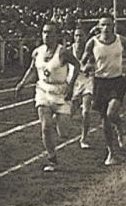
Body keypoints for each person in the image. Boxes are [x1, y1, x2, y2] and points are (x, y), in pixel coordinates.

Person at [14, 22, 80, 172]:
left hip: (61, 91)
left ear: (56, 35)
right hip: (43, 91)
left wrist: (70, 84)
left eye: (50, 33)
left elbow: (77, 65)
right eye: (44, 32)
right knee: (46, 127)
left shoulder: (63, 52)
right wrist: (22, 84)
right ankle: (52, 158)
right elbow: (32, 69)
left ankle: (72, 107)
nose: (46, 36)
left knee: (64, 133)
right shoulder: (37, 52)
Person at [81, 13, 126, 166]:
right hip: (100, 83)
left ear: (113, 26)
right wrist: (86, 67)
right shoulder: (92, 42)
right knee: (105, 120)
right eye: (103, 25)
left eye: (109, 25)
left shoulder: (120, 40)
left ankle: (120, 128)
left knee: (111, 113)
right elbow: (83, 61)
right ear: (98, 26)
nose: (106, 28)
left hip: (117, 81)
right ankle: (111, 152)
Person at [69, 26, 95, 149]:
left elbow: (92, 64)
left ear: (84, 38)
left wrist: (87, 67)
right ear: (73, 37)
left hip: (87, 81)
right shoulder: (69, 50)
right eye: (76, 35)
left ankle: (84, 138)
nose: (79, 38)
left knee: (86, 111)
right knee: (70, 111)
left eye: (81, 35)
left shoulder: (89, 50)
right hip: (74, 82)